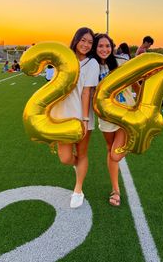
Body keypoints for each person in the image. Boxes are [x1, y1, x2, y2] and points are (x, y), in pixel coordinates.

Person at [50, 27, 100, 208]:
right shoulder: (64, 59)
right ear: (76, 39)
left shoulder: (92, 64)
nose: (86, 45)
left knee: (82, 153)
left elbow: (87, 92)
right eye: (83, 40)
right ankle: (79, 166)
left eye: (90, 42)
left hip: (81, 115)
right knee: (65, 158)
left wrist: (85, 119)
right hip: (62, 116)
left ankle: (78, 189)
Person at [93, 33, 135, 207]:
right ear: (95, 48)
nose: (104, 49)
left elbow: (138, 82)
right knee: (110, 149)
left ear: (112, 47)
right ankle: (115, 189)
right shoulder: (91, 67)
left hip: (126, 112)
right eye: (100, 46)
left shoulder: (122, 62)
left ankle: (136, 139)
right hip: (106, 117)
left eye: (107, 46)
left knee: (115, 155)